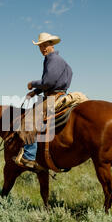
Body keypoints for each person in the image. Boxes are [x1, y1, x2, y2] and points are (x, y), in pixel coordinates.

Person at [15, 32, 73, 170]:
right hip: (59, 93)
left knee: (29, 120)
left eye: (45, 45)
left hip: (53, 96)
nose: (43, 48)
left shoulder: (52, 59)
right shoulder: (58, 60)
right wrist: (35, 92)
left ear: (51, 45)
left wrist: (32, 83)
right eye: (40, 46)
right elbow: (52, 82)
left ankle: (29, 156)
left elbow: (48, 82)